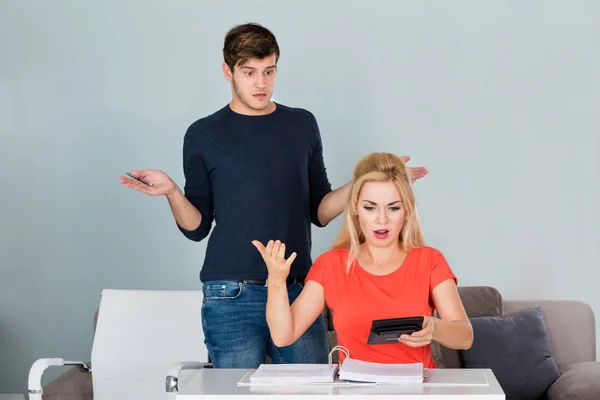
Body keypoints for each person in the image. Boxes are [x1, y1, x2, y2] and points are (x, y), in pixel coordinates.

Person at [120, 24, 428, 368]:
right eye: (249, 73)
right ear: (228, 71)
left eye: (269, 72)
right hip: (230, 293)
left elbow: (321, 211)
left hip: (299, 291)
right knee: (235, 395)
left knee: (311, 391)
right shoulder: (203, 134)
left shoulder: (302, 125)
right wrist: (173, 192)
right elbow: (196, 227)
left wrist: (364, 183)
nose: (261, 84)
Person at [253, 152, 472, 367]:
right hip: (355, 389)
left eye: (393, 208)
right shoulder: (330, 265)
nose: (382, 219)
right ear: (356, 209)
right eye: (370, 207)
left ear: (406, 211)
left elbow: (465, 337)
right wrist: (276, 280)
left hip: (417, 389)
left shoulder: (430, 260)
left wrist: (435, 328)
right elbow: (284, 336)